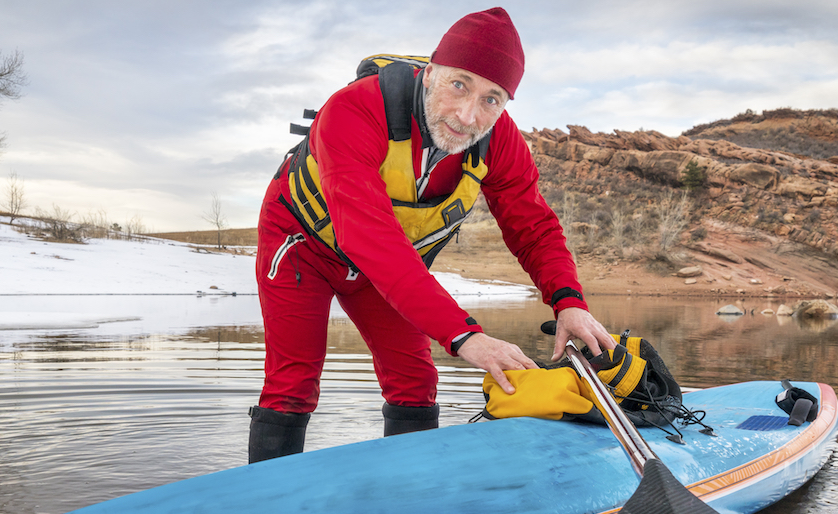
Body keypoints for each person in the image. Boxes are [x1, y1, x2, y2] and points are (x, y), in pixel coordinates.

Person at [249, 6, 615, 463]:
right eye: (459, 84)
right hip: (300, 245)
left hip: (389, 267)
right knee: (293, 380)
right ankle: (267, 504)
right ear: (429, 74)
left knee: (416, 381)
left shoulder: (500, 141)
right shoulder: (354, 109)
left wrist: (569, 302)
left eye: (492, 98)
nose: (467, 115)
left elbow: (534, 227)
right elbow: (368, 234)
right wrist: (466, 337)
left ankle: (412, 492)